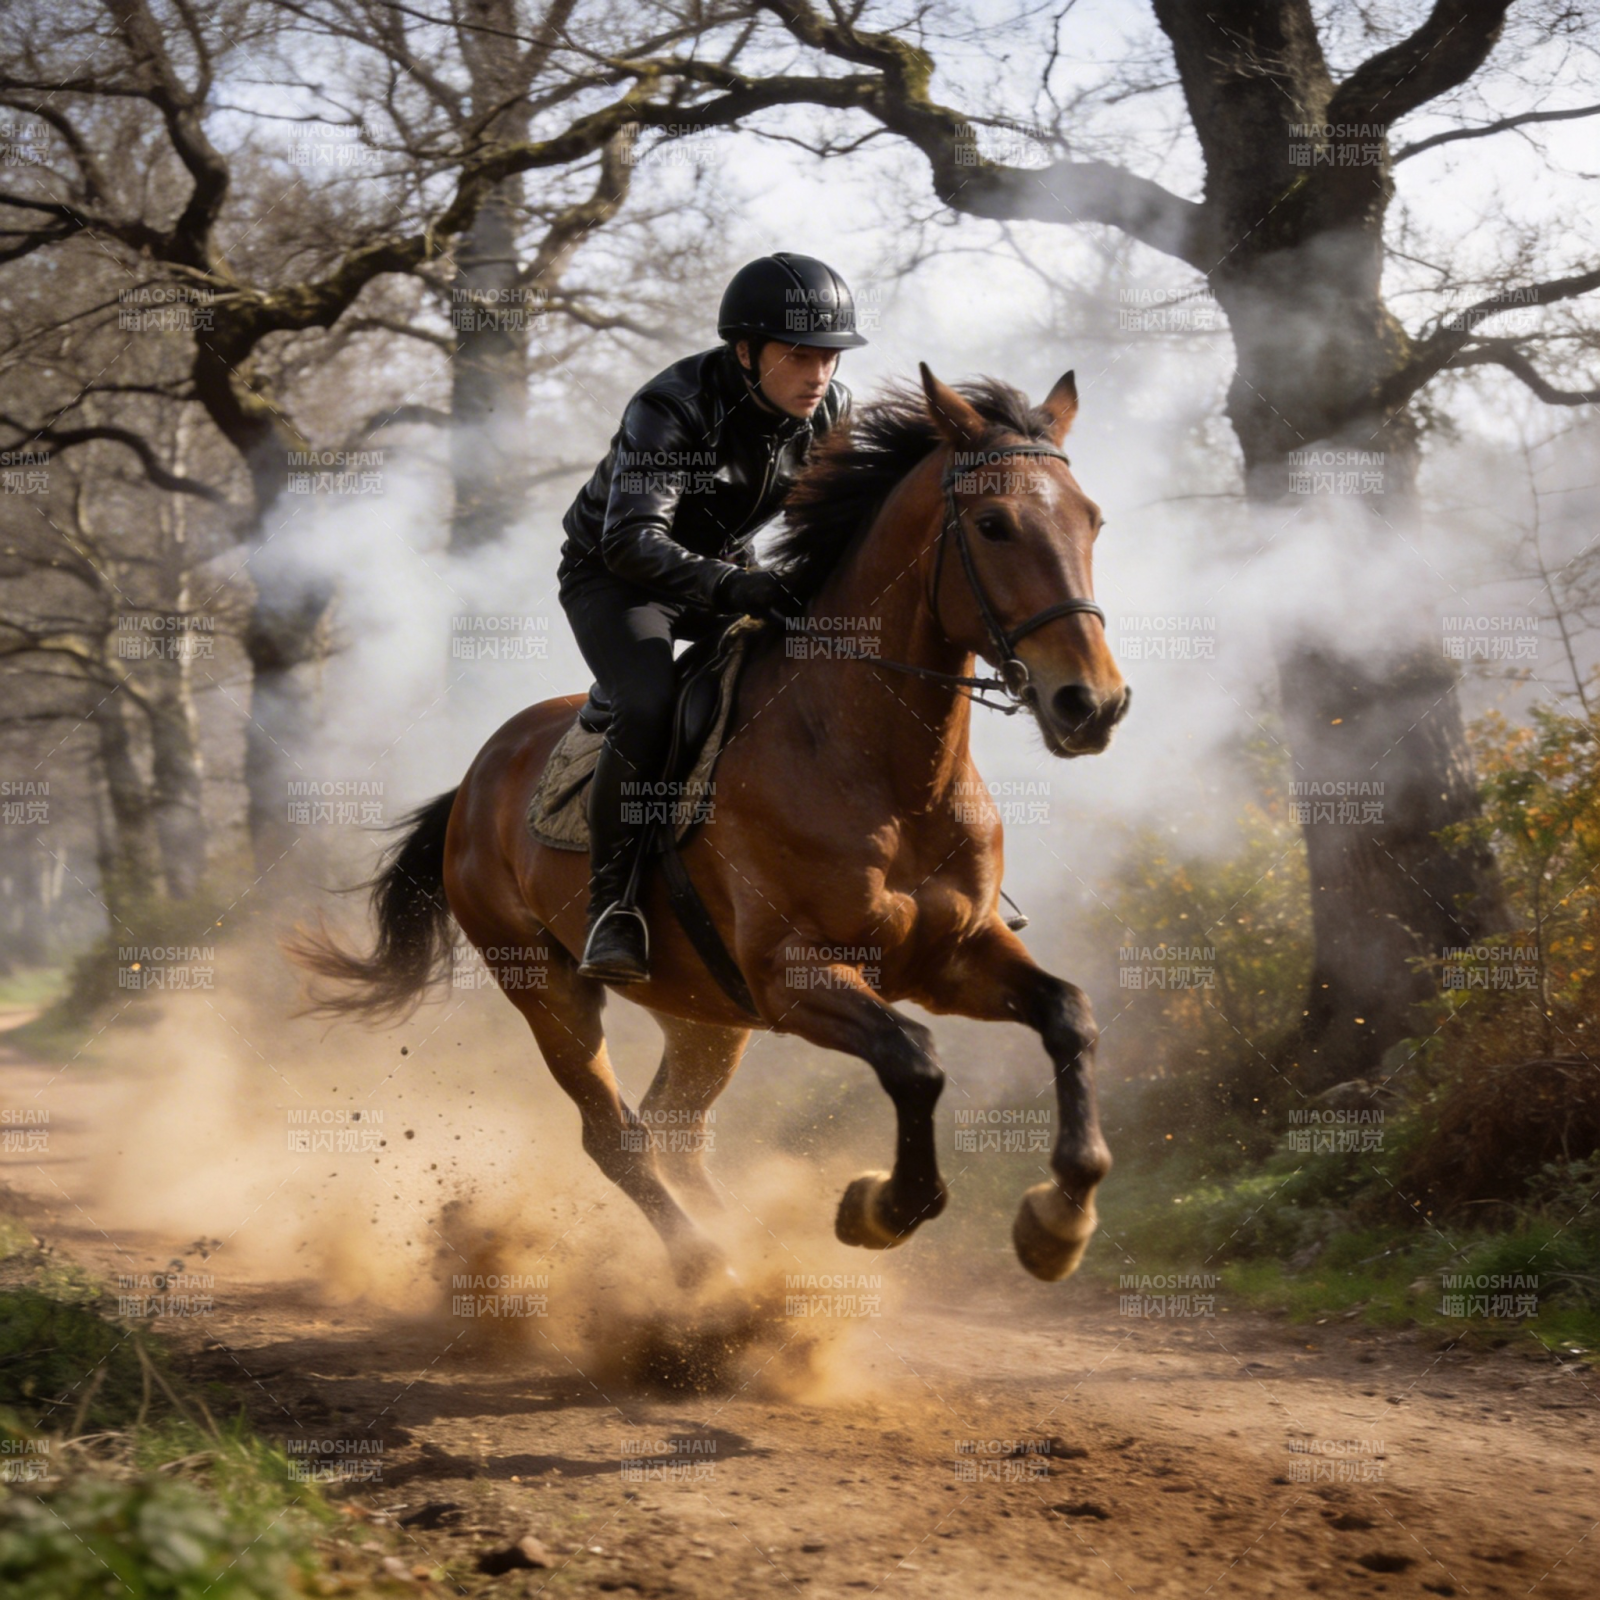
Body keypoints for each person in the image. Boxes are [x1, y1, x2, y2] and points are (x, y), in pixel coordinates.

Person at [556, 253, 867, 983]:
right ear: (745, 351)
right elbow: (630, 540)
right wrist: (736, 587)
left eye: (828, 356)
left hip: (725, 571)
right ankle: (614, 906)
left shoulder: (831, 408)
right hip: (618, 578)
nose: (817, 374)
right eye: (798, 355)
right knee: (649, 702)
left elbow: (840, 527)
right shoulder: (669, 407)